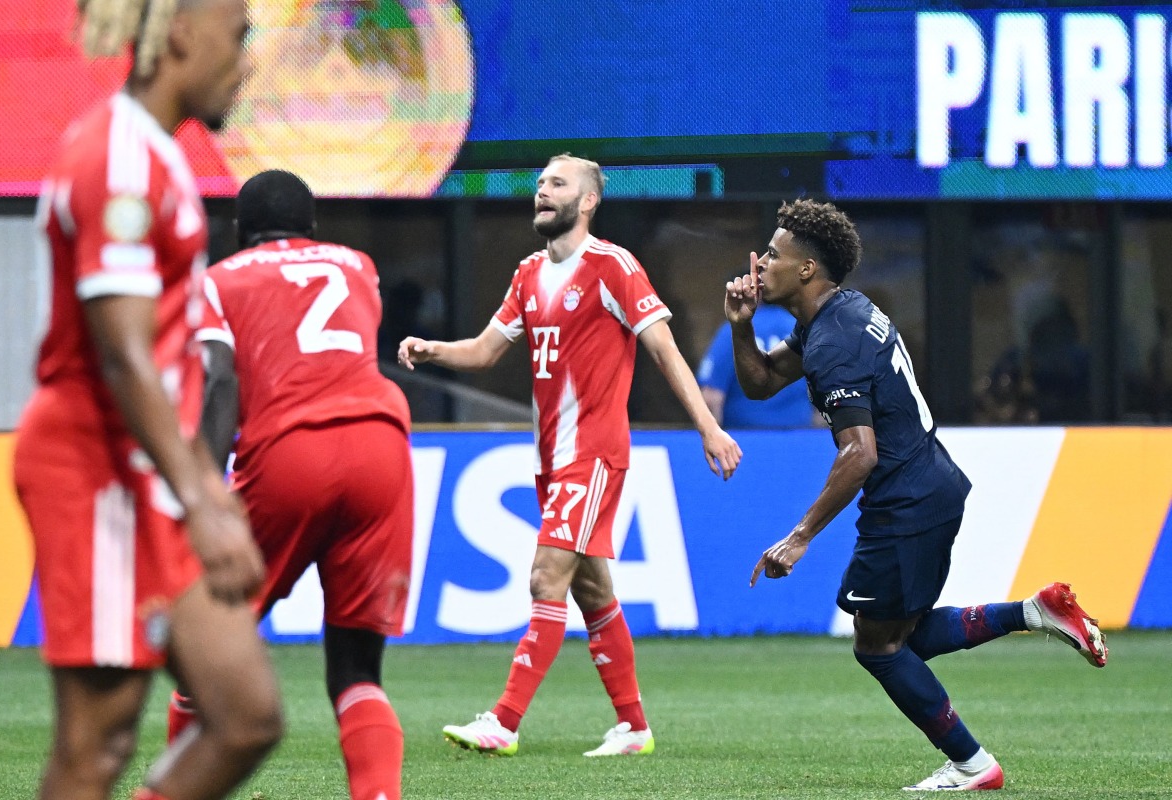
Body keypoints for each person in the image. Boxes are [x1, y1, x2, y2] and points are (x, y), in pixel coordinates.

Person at [734, 199, 1108, 791]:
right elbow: (758, 384)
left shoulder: (834, 343)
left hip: (907, 496)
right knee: (892, 634)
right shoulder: (839, 316)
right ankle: (1037, 610)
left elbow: (859, 454)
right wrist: (740, 323)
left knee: (877, 646)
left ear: (806, 270)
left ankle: (973, 763)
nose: (760, 266)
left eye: (773, 256)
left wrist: (799, 536)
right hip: (926, 484)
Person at [12, 2, 284, 800]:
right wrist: (201, 493)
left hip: (149, 470)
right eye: (240, 38)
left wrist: (198, 483)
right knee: (97, 744)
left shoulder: (156, 157)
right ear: (180, 35)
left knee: (245, 715)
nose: (246, 60)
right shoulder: (120, 160)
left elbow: (163, 359)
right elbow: (124, 354)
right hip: (95, 467)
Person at [398, 153, 742, 757]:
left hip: (594, 454)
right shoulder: (529, 273)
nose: (542, 192)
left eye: (557, 184)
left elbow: (662, 349)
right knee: (593, 592)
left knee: (544, 577)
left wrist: (708, 428)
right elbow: (483, 352)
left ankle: (504, 721)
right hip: (551, 459)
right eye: (539, 184)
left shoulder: (613, 267)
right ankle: (634, 727)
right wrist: (432, 351)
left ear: (587, 202)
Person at [166, 170, 414, 800]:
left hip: (291, 449)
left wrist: (205, 491)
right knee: (357, 671)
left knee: (205, 648)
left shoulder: (219, 279)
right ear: (311, 228)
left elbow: (220, 379)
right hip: (382, 445)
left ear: (239, 233)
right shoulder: (358, 265)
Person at [696, 303, 815, 427]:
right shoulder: (802, 329)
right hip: (800, 438)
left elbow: (711, 396)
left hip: (744, 439)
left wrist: (714, 435)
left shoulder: (735, 330)